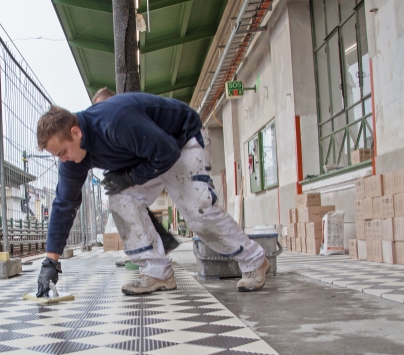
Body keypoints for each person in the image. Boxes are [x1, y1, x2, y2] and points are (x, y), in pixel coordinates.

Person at [35, 93, 269, 296]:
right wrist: (50, 261)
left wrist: (131, 177)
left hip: (180, 141)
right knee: (120, 198)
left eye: (63, 152)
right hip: (149, 155)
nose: (63, 159)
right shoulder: (72, 159)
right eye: (58, 156)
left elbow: (167, 152)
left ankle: (254, 260)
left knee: (198, 212)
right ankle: (157, 272)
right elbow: (64, 204)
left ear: (75, 132)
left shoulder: (115, 121)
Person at [91, 87, 180, 264]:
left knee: (127, 194)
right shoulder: (110, 127)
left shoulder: (124, 120)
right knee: (128, 196)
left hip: (164, 156)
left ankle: (152, 249)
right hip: (154, 159)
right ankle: (154, 245)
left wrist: (129, 177)